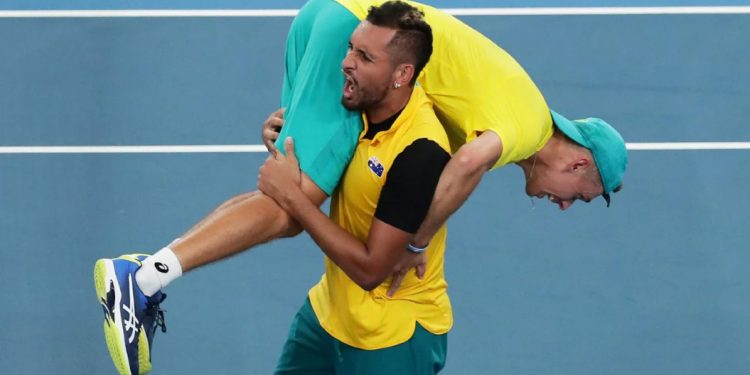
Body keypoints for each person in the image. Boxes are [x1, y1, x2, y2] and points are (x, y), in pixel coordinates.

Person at [93, 0, 628, 373]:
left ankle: (148, 271)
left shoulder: (486, 104)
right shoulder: (526, 125)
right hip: (361, 37)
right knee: (289, 206)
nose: (564, 204)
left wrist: (296, 121)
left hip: (331, 17)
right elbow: (468, 164)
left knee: (288, 185)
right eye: (578, 194)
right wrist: (415, 242)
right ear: (580, 163)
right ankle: (141, 280)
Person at [257, 4, 451, 372]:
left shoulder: (420, 151)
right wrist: (286, 134)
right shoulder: (359, 106)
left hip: (391, 337)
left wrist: (292, 197)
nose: (346, 62)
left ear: (401, 74)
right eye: (350, 48)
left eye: (364, 56)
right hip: (328, 314)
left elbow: (370, 269)